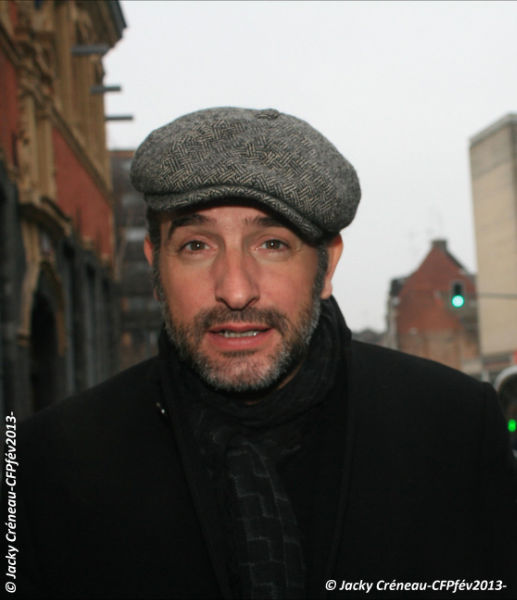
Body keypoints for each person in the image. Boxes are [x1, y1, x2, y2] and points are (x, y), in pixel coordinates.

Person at [11, 107, 517, 599]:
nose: (235, 290)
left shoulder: (455, 428)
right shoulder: (47, 464)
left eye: (272, 244)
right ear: (156, 266)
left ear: (327, 266)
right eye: (196, 246)